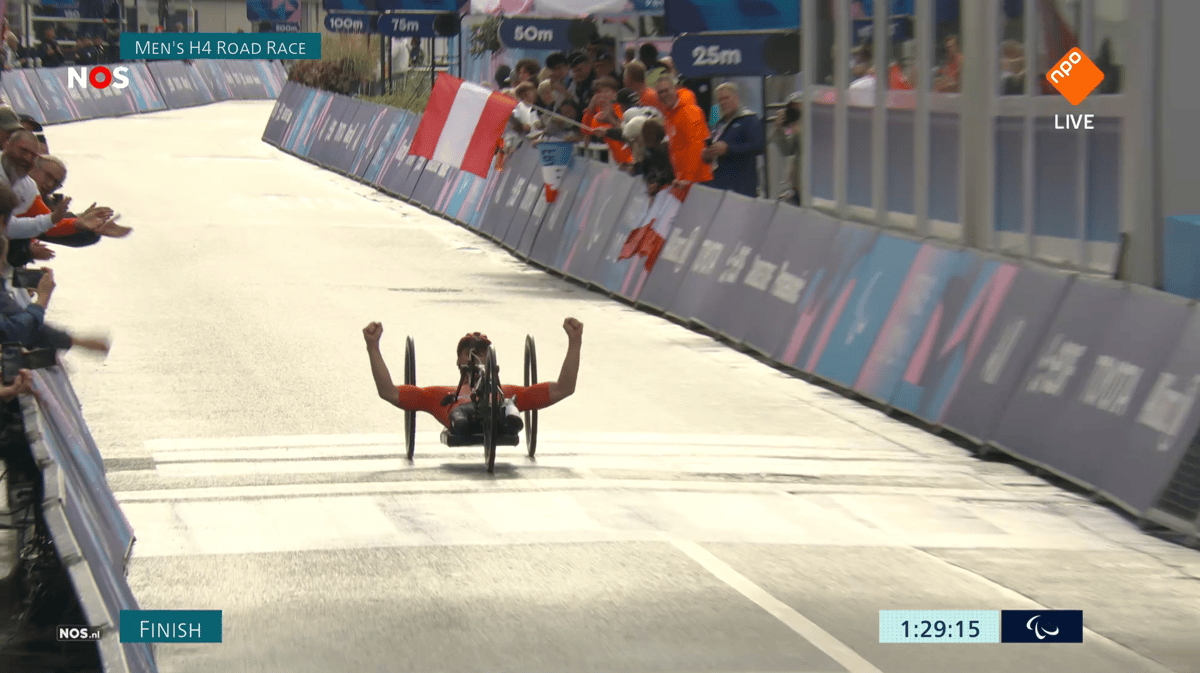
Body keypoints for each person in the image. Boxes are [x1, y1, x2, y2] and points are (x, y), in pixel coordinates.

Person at [363, 318, 582, 437]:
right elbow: (389, 392)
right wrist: (373, 347)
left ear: (491, 360)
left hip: (499, 412)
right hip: (461, 417)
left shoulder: (508, 392)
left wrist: (575, 342)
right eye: (469, 352)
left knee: (508, 405)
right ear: (459, 360)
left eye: (482, 353)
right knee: (460, 414)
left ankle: (507, 419)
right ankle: (463, 422)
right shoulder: (440, 394)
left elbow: (564, 388)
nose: (475, 356)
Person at [702, 83, 763, 197]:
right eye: (720, 99)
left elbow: (757, 146)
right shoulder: (718, 123)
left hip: (742, 187)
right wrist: (709, 154)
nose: (723, 102)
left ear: (736, 98)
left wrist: (728, 149)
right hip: (720, 185)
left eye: (726, 98)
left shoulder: (749, 119)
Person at [653, 73, 713, 186]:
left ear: (675, 88)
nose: (664, 95)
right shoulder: (669, 115)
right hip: (683, 180)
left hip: (697, 180)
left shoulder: (689, 111)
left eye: (666, 90)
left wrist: (688, 178)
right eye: (660, 92)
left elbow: (696, 146)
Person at [770, 93, 802, 204]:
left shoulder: (818, 125)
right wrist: (778, 128)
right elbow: (786, 150)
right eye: (792, 110)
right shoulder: (796, 129)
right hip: (798, 185)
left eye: (798, 108)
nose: (796, 113)